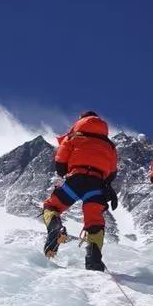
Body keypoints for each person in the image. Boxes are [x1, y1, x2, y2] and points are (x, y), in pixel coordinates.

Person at [42, 111, 118, 271]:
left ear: (81, 121)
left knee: (51, 207)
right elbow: (111, 173)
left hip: (75, 180)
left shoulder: (73, 137)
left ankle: (55, 229)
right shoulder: (110, 146)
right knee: (95, 221)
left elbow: (60, 164)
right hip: (96, 186)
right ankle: (94, 261)